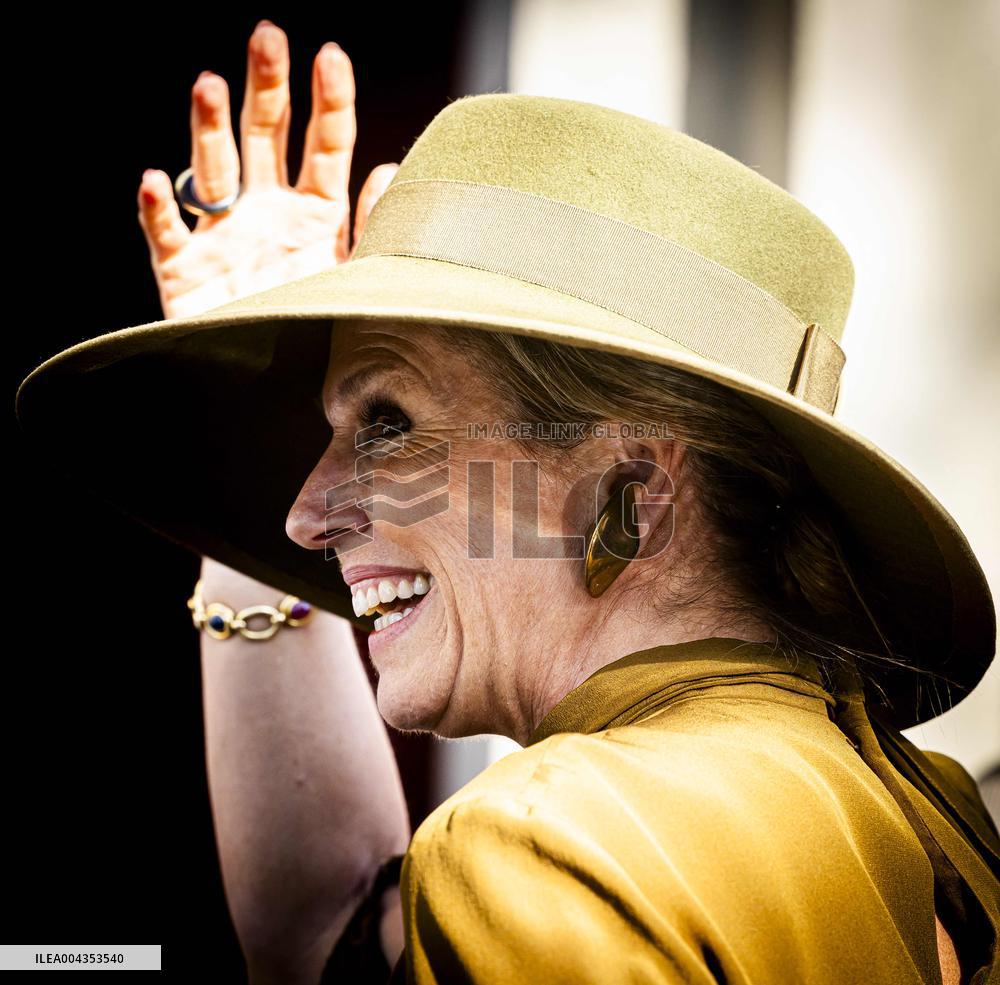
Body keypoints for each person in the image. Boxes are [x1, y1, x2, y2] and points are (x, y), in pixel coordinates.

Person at [14, 19, 999, 985]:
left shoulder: (541, 845)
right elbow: (332, 942)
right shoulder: (933, 816)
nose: (301, 517)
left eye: (389, 423)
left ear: (631, 492)